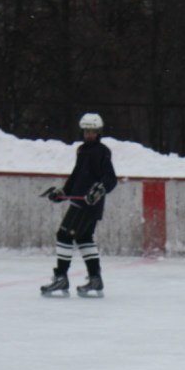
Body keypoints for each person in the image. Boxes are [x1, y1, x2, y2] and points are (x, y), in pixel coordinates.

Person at [40, 113, 117, 297]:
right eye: (86, 131)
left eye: (92, 131)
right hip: (78, 202)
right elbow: (76, 176)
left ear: (98, 132)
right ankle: (95, 279)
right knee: (83, 238)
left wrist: (99, 189)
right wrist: (63, 193)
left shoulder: (102, 151)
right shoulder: (82, 150)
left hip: (89, 205)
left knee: (64, 235)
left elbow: (110, 178)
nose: (88, 134)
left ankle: (61, 277)